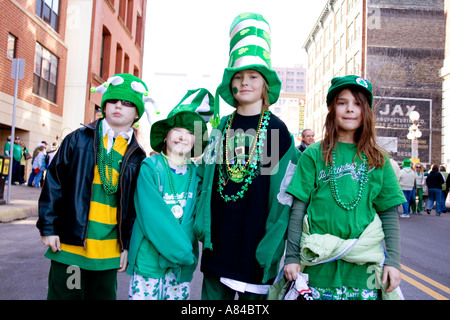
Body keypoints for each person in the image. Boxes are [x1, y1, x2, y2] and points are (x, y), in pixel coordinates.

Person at [194, 13, 300, 300]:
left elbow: (282, 195)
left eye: (253, 76)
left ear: (265, 84)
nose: (244, 82)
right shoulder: (220, 127)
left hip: (255, 239)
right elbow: (201, 177)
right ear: (230, 86)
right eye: (238, 77)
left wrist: (274, 244)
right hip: (219, 238)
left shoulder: (275, 129)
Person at [284, 75, 405, 300]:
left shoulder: (378, 159)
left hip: (363, 273)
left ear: (366, 110)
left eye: (357, 103)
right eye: (342, 103)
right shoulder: (313, 154)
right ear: (332, 109)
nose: (350, 109)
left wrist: (393, 262)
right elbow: (298, 210)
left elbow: (389, 214)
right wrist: (291, 257)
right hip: (318, 269)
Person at [37, 73, 148, 300]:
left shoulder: (138, 156)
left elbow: (134, 209)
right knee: (68, 296)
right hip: (70, 248)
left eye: (127, 103)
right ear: (104, 106)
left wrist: (127, 246)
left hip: (108, 252)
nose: (118, 106)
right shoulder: (78, 139)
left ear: (137, 113)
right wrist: (48, 227)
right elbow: (54, 183)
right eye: (113, 101)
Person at [127, 88, 214, 300]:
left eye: (191, 133)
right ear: (165, 136)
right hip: (151, 259)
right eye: (177, 130)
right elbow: (152, 216)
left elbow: (195, 216)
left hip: (180, 265)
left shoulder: (196, 173)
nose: (183, 136)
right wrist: (181, 252)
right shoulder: (151, 167)